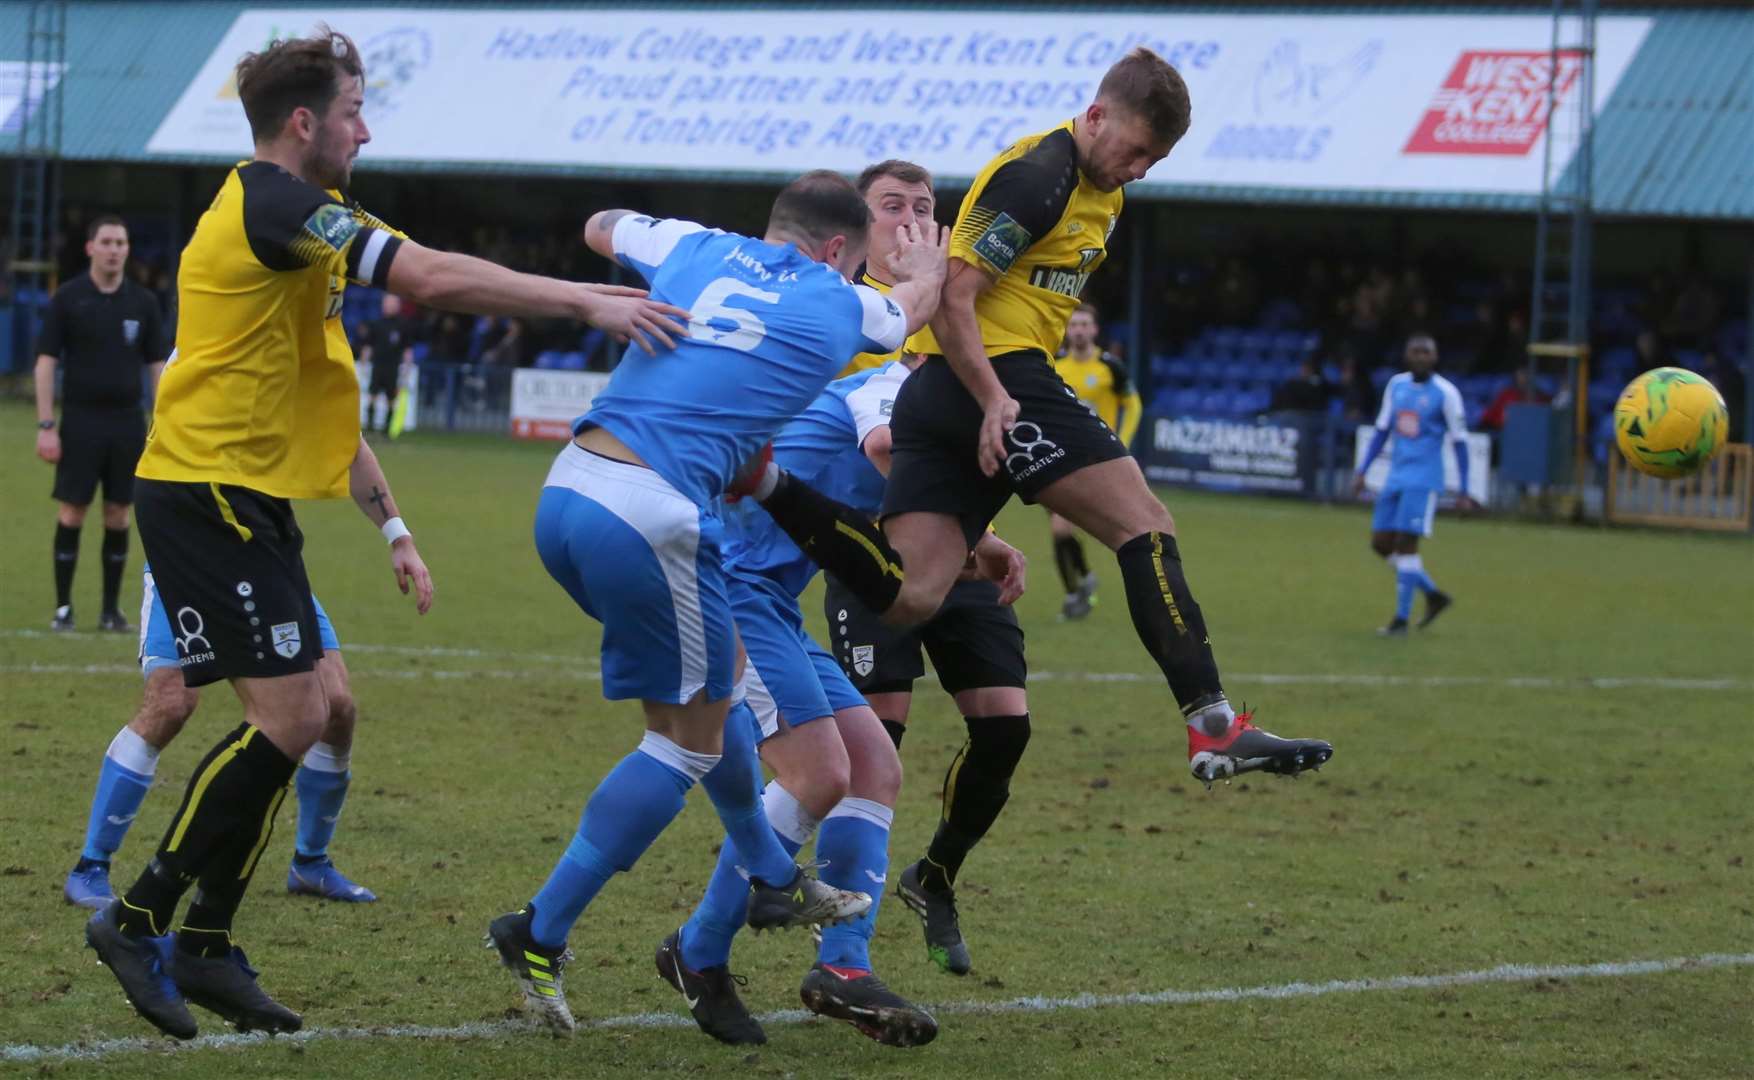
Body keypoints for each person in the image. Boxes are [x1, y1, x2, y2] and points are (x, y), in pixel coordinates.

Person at [84, 26, 684, 1042]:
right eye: (355, 111)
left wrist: (395, 519)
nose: (366, 130)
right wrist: (582, 297)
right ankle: (139, 918)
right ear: (307, 121)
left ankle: (207, 942)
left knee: (314, 708)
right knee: (286, 718)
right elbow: (432, 278)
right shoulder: (274, 203)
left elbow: (425, 266)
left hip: (247, 496)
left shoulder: (305, 210)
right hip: (201, 491)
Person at [747, 48, 1333, 787]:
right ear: (1094, 117)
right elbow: (957, 299)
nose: (1142, 168)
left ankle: (771, 488)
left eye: (1156, 158)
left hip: (940, 390)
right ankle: (1213, 726)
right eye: (1137, 149)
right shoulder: (1036, 176)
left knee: (909, 597)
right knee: (1144, 526)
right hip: (996, 375)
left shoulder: (1103, 194)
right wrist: (995, 398)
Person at [491, 172, 947, 1037]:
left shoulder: (696, 246)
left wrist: (637, 284)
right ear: (836, 252)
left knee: (714, 715)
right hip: (656, 511)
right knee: (684, 745)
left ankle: (767, 884)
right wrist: (921, 267)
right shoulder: (841, 301)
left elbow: (599, 221)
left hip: (573, 488)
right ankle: (541, 929)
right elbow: (910, 307)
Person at [64, 490, 387, 911]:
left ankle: (310, 862)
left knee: (337, 705)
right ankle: (90, 866)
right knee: (170, 703)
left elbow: (349, 445)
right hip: (186, 561)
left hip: (267, 563)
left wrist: (397, 534)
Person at [33, 215, 169, 632]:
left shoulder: (143, 303)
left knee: (118, 514)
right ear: (91, 248)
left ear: (128, 249)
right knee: (73, 511)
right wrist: (45, 424)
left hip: (127, 423)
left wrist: (161, 423)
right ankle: (63, 609)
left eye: (121, 242)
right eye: (107, 242)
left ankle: (111, 611)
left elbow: (157, 366)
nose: (114, 249)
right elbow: (45, 362)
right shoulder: (69, 299)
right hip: (79, 422)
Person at [1352, 334, 1478, 636]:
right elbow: (1382, 430)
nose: (1421, 356)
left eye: (1427, 352)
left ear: (1435, 357)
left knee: (1407, 544)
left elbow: (1460, 442)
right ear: (1407, 355)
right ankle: (1433, 595)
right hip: (1396, 475)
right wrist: (1362, 470)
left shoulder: (1446, 393)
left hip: (1423, 479)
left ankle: (1400, 620)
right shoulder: (1396, 385)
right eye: (1415, 351)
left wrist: (1464, 490)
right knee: (1381, 543)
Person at [1049, 301, 1140, 619]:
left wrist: (1122, 440)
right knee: (1059, 530)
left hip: (1097, 458)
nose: (1078, 330)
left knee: (1070, 529)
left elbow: (1133, 404)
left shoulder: (1110, 367)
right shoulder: (1055, 364)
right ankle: (1079, 589)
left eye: (1084, 324)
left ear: (1095, 330)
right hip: (1059, 456)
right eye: (1073, 325)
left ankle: (1081, 588)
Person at [358, 293, 414, 433]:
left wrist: (407, 367)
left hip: (393, 367)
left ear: (398, 305)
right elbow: (368, 346)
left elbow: (407, 349)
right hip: (377, 366)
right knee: (372, 396)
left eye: (392, 303)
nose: (389, 305)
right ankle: (369, 428)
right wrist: (364, 363)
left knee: (391, 399)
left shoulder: (403, 325)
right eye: (387, 303)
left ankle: (386, 430)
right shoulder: (376, 324)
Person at [1477, 366, 1549, 431]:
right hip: (1506, 436)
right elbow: (1487, 419)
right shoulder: (1506, 395)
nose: (1524, 378)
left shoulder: (1541, 398)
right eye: (1521, 374)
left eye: (1527, 374)